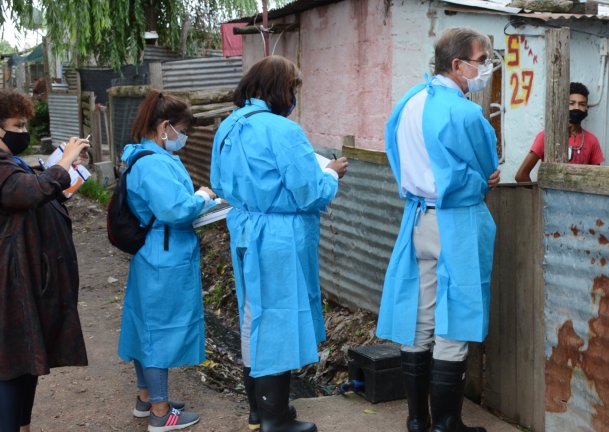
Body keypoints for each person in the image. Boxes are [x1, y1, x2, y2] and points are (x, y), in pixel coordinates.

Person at [210, 55, 347, 432]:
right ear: (280, 90)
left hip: (244, 229)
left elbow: (218, 184)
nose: (293, 98)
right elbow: (309, 193)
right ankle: (274, 419)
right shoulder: (284, 131)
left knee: (253, 315)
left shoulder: (228, 126)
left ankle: (260, 410)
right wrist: (331, 174)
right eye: (292, 89)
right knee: (278, 319)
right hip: (277, 237)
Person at [376, 27, 501, 432]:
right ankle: (447, 423)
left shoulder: (408, 102)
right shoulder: (465, 112)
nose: (485, 68)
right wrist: (481, 179)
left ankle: (418, 420)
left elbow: (395, 154)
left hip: (416, 218)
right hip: (456, 220)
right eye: (481, 61)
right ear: (457, 64)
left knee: (420, 317)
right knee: (455, 320)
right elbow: (488, 165)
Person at [117, 91, 216, 432]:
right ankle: (161, 413)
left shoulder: (142, 156)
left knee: (144, 325)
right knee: (158, 331)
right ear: (164, 127)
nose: (183, 138)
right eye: (182, 131)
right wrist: (202, 197)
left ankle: (146, 397)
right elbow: (175, 209)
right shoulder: (154, 163)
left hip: (155, 253)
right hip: (165, 256)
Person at [0, 90, 89, 432]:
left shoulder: (11, 162)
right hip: (10, 286)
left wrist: (65, 170)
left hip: (24, 281)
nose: (23, 132)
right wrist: (63, 162)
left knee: (27, 360)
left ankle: (23, 425)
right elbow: (30, 191)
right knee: (11, 364)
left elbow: (37, 189)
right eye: (17, 125)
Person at [514, 82, 603, 182]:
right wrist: (541, 192)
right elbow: (521, 175)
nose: (577, 108)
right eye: (571, 103)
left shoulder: (592, 140)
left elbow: (596, 180)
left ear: (587, 108)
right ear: (563, 105)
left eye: (582, 104)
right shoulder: (547, 136)